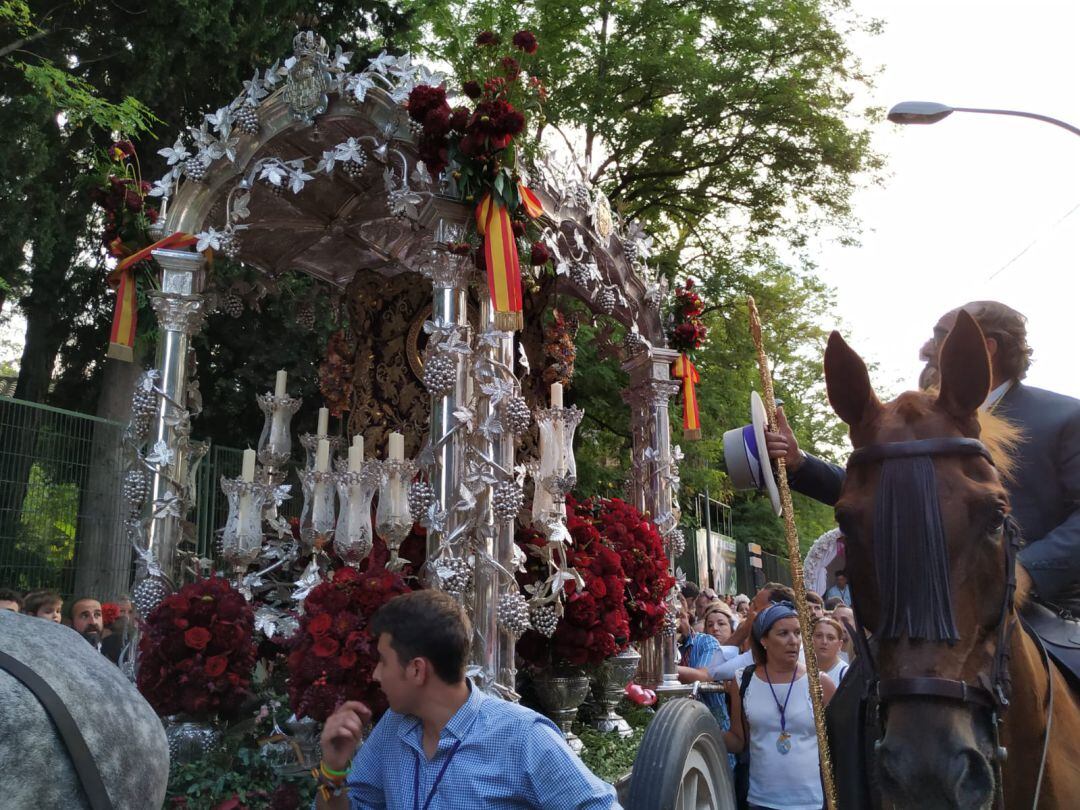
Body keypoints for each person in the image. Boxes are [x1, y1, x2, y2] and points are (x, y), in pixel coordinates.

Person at [767, 301, 1080, 608]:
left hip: (1045, 613)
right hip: (924, 613)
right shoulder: (920, 422)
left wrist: (1023, 574)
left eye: (940, 337)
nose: (925, 350)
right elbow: (883, 495)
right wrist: (800, 463)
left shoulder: (1065, 417)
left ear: (984, 347)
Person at [315, 590, 619, 809]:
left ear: (417, 670)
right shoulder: (393, 730)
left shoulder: (523, 736)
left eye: (383, 661)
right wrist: (333, 769)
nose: (376, 675)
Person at [722, 602, 835, 810]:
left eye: (798, 633)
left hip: (811, 802)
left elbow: (838, 745)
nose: (793, 641)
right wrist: (702, 726)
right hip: (760, 801)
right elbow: (739, 741)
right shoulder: (744, 680)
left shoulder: (820, 683)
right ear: (764, 640)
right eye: (783, 633)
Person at [811, 616, 847, 684]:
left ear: (840, 644)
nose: (824, 641)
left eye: (830, 638)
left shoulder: (845, 674)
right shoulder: (804, 670)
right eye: (819, 636)